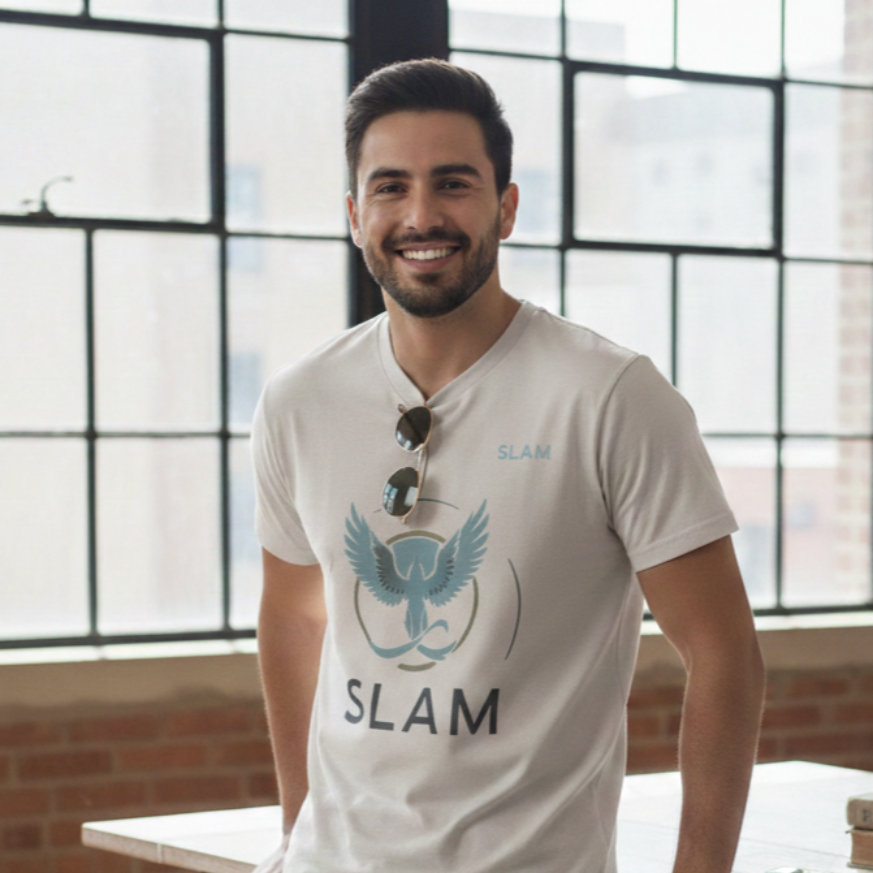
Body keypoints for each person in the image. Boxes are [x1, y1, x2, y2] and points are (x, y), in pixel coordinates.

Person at [252, 58, 765, 873]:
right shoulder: (297, 402)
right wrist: (295, 831)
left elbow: (723, 649)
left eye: (452, 183)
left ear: (507, 206)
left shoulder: (609, 397)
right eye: (390, 187)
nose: (420, 214)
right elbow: (292, 617)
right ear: (355, 215)